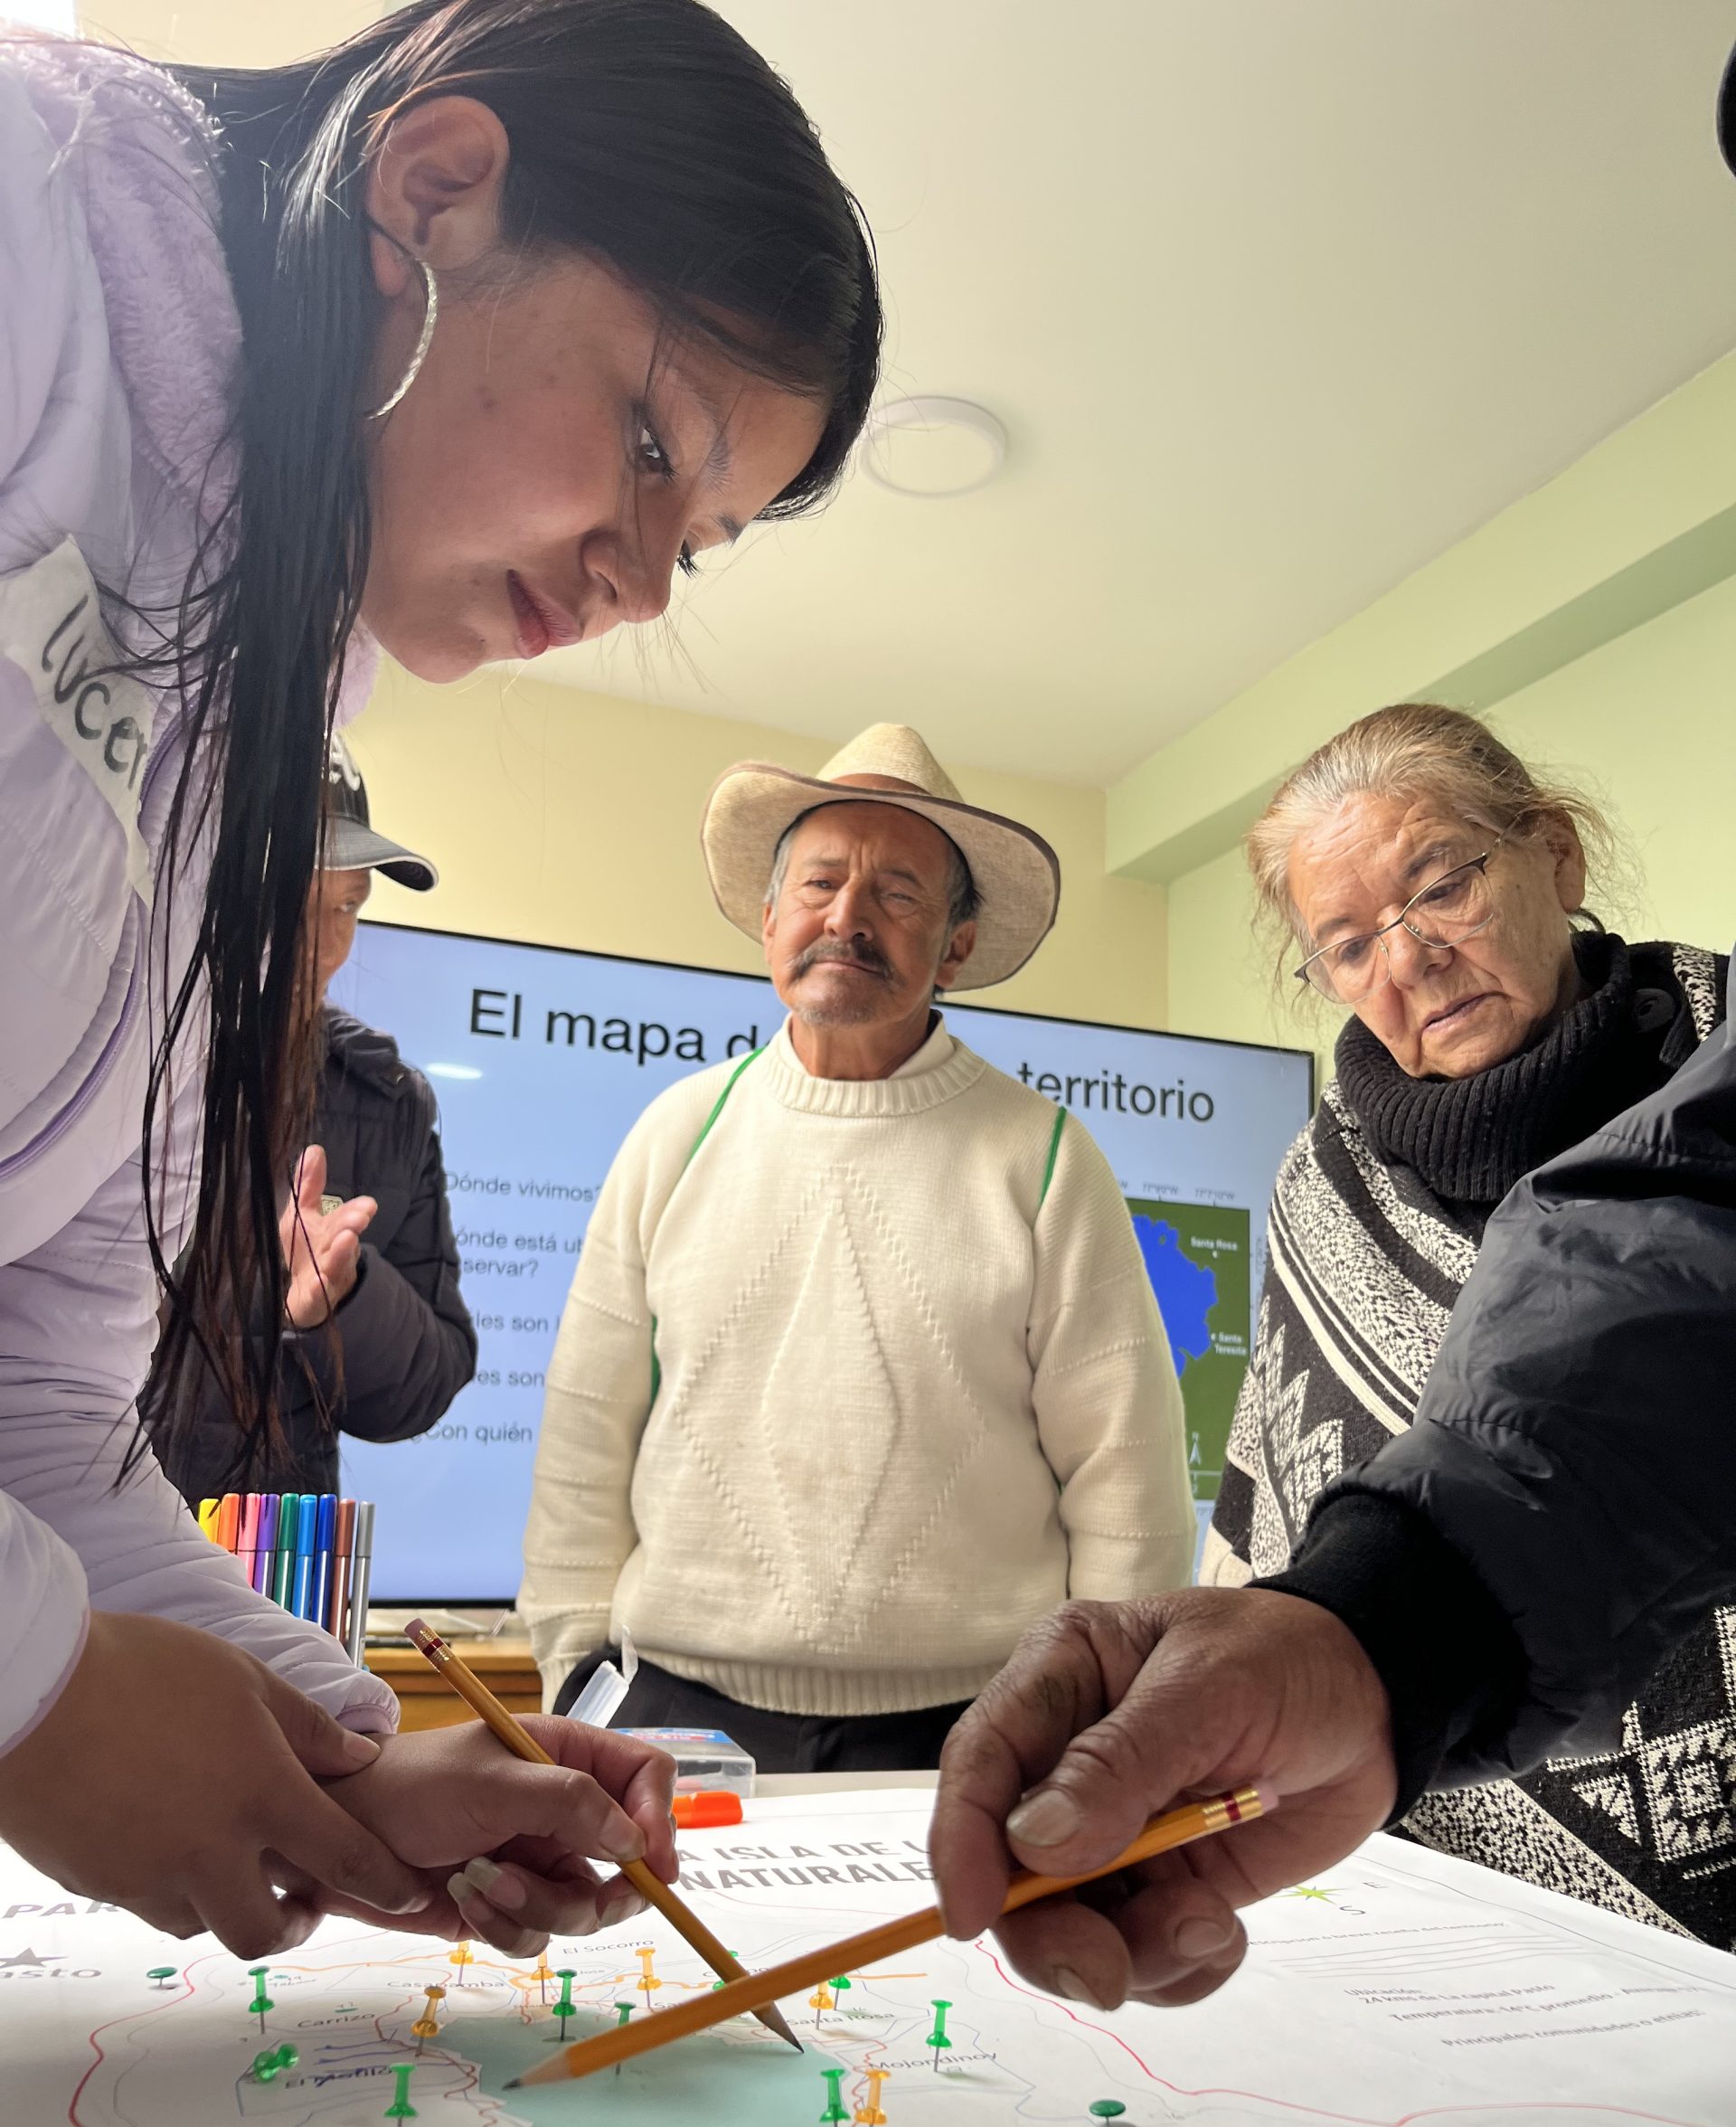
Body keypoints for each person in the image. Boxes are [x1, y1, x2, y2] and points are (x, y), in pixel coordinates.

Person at [0, 0, 879, 1955]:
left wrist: (354, 1763)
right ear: (435, 188)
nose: (639, 582)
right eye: (649, 447)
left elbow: (39, 1410)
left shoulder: (262, 720)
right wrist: (40, 1684)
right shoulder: (24, 217)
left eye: (698, 541)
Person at [518, 723, 1195, 1771]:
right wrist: (574, 1674)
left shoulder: (1043, 1155)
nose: (847, 917)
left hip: (973, 1728)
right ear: (770, 917)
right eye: (821, 883)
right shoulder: (675, 1134)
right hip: (675, 1716)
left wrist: (1100, 1714)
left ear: (955, 947)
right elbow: (584, 1435)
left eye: (898, 894)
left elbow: (1126, 1472)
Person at [1198, 703, 1732, 1943]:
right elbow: (1280, 1513)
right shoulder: (1318, 1196)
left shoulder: (1722, 1074)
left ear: (1558, 855)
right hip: (1450, 1914)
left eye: (1442, 888)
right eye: (1347, 946)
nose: (1409, 962)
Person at [144, 740, 476, 1502]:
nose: (322, 945)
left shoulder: (389, 1103)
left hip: (270, 1552)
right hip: (52, 1538)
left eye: (347, 905)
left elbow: (427, 1386)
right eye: (288, 899)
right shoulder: (92, 1056)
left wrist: (344, 1301)